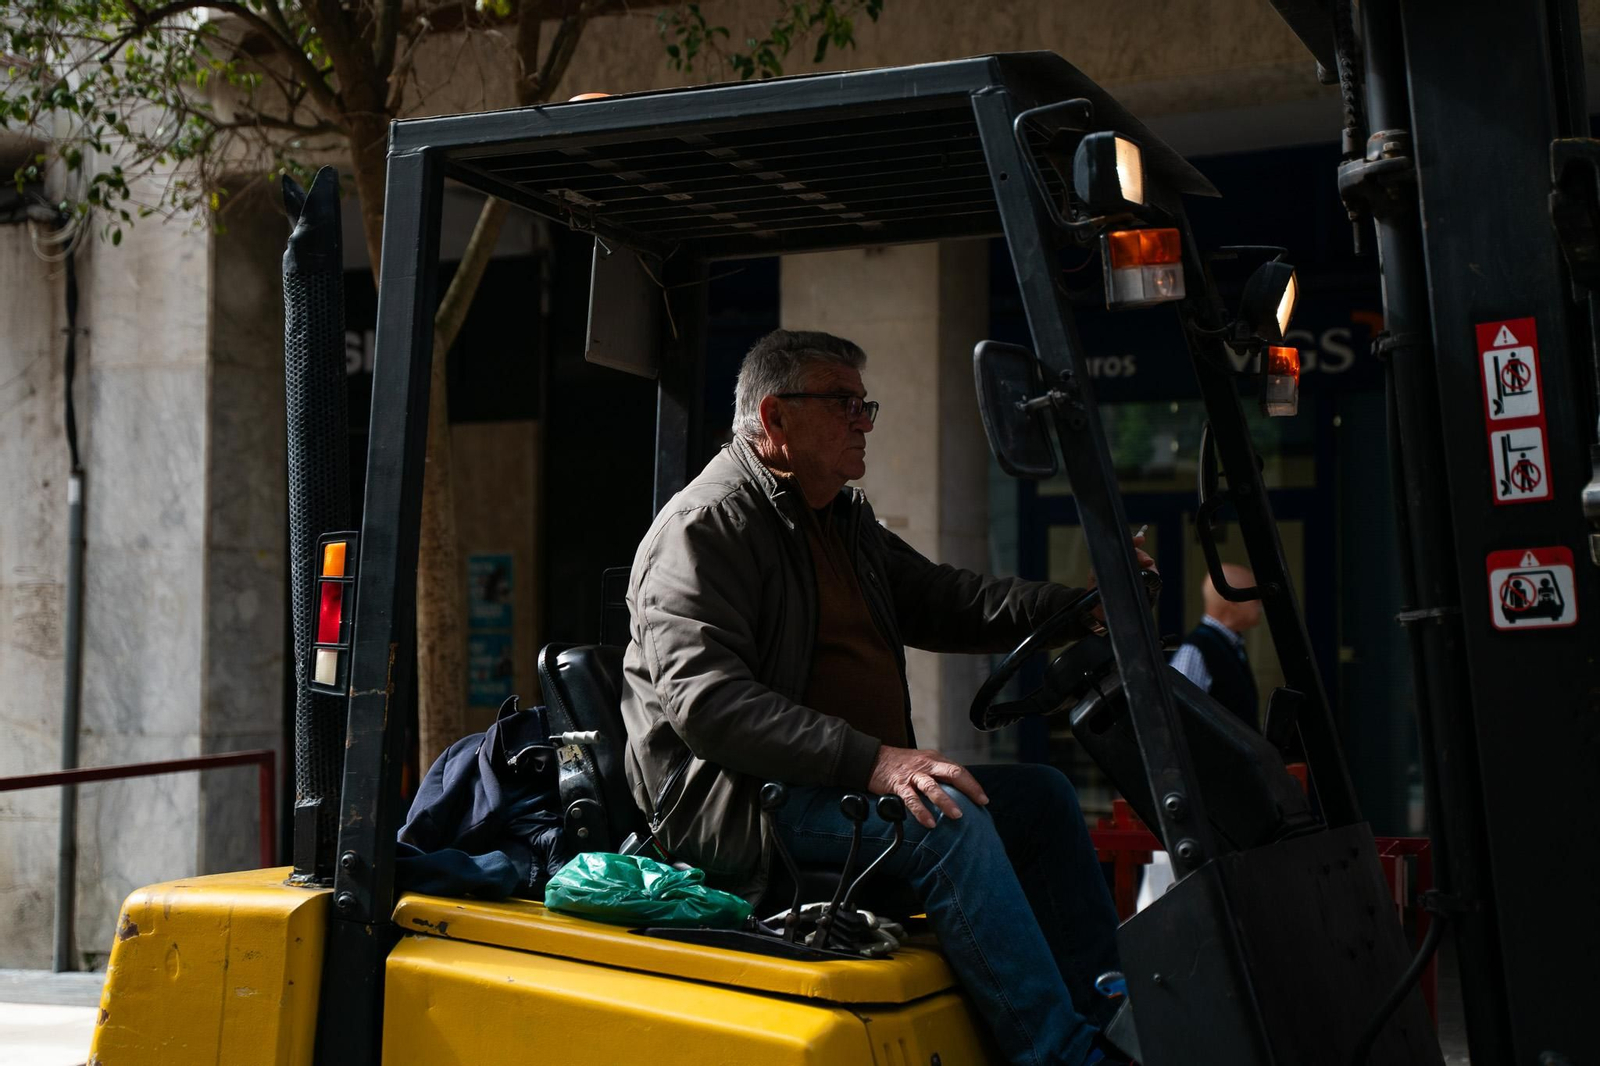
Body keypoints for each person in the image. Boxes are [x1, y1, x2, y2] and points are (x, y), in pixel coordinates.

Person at [620, 329, 1152, 1066]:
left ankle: (1109, 1022)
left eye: (865, 406)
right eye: (844, 404)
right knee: (946, 822)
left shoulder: (840, 519)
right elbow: (708, 702)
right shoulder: (705, 527)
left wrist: (1072, 609)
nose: (863, 422)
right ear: (775, 418)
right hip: (745, 809)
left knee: (1043, 797)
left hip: (822, 791)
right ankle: (1062, 1057)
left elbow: (942, 599)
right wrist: (875, 763)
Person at [1167, 563, 1263, 730]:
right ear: (1232, 600)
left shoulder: (1230, 644)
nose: (1261, 604)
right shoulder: (1196, 649)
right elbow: (1177, 718)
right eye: (1255, 596)